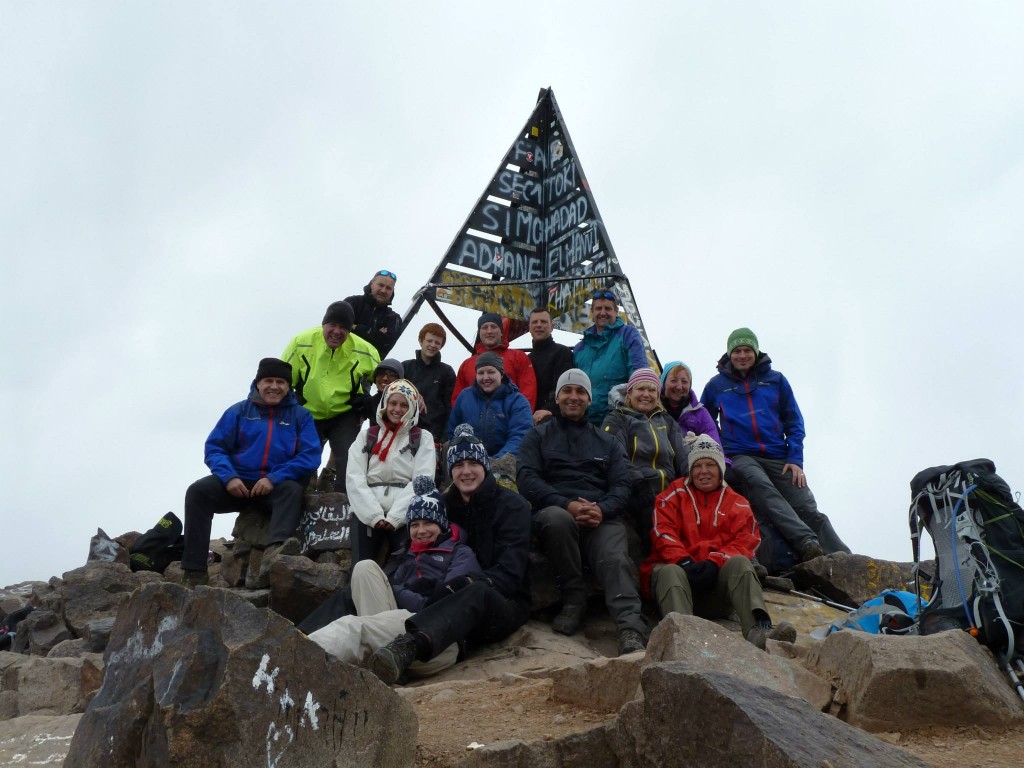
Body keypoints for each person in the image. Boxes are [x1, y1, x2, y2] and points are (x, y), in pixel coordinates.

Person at [368, 425, 532, 685]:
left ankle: (407, 648)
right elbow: (409, 549)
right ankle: (301, 636)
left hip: (500, 603)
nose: (466, 471)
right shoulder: (441, 507)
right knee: (364, 576)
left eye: (473, 463)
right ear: (449, 470)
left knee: (475, 591)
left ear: (485, 466)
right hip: (433, 598)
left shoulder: (513, 507)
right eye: (458, 465)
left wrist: (464, 584)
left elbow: (511, 573)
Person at [517, 368, 647, 656]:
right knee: (556, 521)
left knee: (614, 556)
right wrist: (566, 504)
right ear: (558, 397)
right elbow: (527, 479)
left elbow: (622, 483)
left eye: (580, 392)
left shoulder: (607, 441)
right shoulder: (537, 437)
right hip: (557, 511)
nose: (573, 397)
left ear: (589, 399)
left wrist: (602, 509)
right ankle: (574, 598)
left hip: (602, 515)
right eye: (568, 391)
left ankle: (629, 626)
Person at [701, 328, 851, 564]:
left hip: (779, 455)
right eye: (737, 351)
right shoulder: (716, 385)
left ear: (756, 351)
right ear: (729, 354)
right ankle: (807, 543)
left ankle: (844, 561)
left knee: (806, 505)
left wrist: (795, 459)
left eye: (747, 350)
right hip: (740, 455)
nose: (742, 355)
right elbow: (704, 422)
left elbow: (794, 421)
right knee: (763, 489)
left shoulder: (776, 380)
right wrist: (722, 452)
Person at [302, 477, 476, 678]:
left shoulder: (460, 553)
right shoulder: (406, 555)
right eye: (415, 524)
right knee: (364, 568)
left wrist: (398, 591)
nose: (420, 531)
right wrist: (400, 592)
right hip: (397, 630)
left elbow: (444, 604)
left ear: (442, 524)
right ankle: (378, 660)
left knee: (356, 627)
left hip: (436, 637)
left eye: (428, 522)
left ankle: (299, 657)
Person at [641, 435, 798, 649]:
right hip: (678, 582)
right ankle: (683, 639)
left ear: (721, 469)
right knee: (669, 571)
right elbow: (662, 532)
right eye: (697, 465)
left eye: (710, 465)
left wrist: (715, 562)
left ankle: (758, 631)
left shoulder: (738, 503)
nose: (703, 471)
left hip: (717, 587)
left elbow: (746, 541)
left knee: (741, 563)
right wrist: (684, 561)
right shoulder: (673, 495)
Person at [181, 358, 321, 588]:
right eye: (268, 381)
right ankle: (194, 571)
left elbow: (310, 456)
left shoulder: (301, 416)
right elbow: (214, 448)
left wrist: (274, 478)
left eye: (280, 382)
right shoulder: (238, 411)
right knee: (197, 492)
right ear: (257, 383)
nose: (274, 386)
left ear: (289, 387)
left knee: (292, 490)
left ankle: (274, 557)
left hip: (274, 485)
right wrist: (229, 477)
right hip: (237, 483)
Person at [282, 300, 380, 493]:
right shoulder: (301, 342)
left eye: (343, 327)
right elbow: (282, 377)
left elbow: (387, 378)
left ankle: (343, 503)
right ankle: (299, 500)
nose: (337, 331)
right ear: (323, 325)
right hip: (308, 411)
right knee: (304, 460)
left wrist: (406, 390)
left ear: (351, 329)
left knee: (350, 459)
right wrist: (290, 407)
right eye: (332, 325)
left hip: (344, 413)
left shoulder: (365, 350)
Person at [346, 379, 436, 564]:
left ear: (412, 407)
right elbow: (354, 477)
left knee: (406, 569)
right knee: (361, 567)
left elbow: (422, 479)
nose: (397, 409)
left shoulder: (422, 438)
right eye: (393, 403)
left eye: (404, 405)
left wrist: (396, 517)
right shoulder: (366, 436)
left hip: (406, 513)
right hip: (367, 511)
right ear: (384, 404)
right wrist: (373, 515)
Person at [602, 367, 689, 553]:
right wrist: (639, 483)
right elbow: (615, 455)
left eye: (652, 390)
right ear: (630, 392)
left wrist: (691, 477)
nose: (646, 395)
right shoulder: (617, 418)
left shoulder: (666, 421)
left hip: (669, 491)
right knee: (652, 520)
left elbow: (682, 454)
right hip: (635, 490)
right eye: (641, 389)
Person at [572, 289, 647, 424]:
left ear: (616, 311)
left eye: (608, 308)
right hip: (585, 422)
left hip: (618, 419)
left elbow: (639, 375)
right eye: (598, 308)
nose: (602, 313)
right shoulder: (580, 348)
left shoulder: (628, 334)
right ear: (592, 312)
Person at [447, 352, 532, 461]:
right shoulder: (464, 397)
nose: (485, 377)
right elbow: (452, 432)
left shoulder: (517, 401)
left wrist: (495, 461)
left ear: (501, 374)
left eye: (491, 372)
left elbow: (520, 436)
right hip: (470, 461)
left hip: (504, 462)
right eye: (480, 373)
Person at [451, 312, 537, 409]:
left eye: (493, 327)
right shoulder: (466, 364)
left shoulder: (518, 357)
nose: (489, 331)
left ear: (501, 331)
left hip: (511, 421)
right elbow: (457, 401)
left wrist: (520, 418)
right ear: (479, 333)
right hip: (473, 422)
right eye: (484, 327)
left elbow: (528, 393)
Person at [402, 323, 456, 447]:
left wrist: (444, 439)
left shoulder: (446, 372)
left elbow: (450, 407)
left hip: (434, 436)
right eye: (429, 340)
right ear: (421, 341)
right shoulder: (405, 367)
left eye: (437, 342)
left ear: (441, 345)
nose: (432, 345)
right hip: (404, 432)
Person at [527, 307, 575, 426]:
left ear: (552, 327)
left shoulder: (563, 353)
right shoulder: (527, 359)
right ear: (529, 328)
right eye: (535, 322)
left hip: (554, 419)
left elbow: (563, 387)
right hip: (529, 416)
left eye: (543, 322)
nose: (539, 325)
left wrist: (549, 409)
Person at [660, 361, 722, 446]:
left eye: (684, 382)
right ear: (663, 383)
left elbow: (716, 447)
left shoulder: (700, 413)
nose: (679, 387)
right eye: (673, 380)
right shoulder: (653, 408)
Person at [344, 269, 403, 358]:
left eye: (388, 288)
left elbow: (386, 344)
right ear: (372, 283)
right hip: (341, 362)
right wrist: (375, 334)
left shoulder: (394, 319)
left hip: (368, 370)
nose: (383, 290)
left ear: (392, 291)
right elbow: (338, 329)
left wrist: (356, 327)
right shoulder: (352, 303)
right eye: (381, 285)